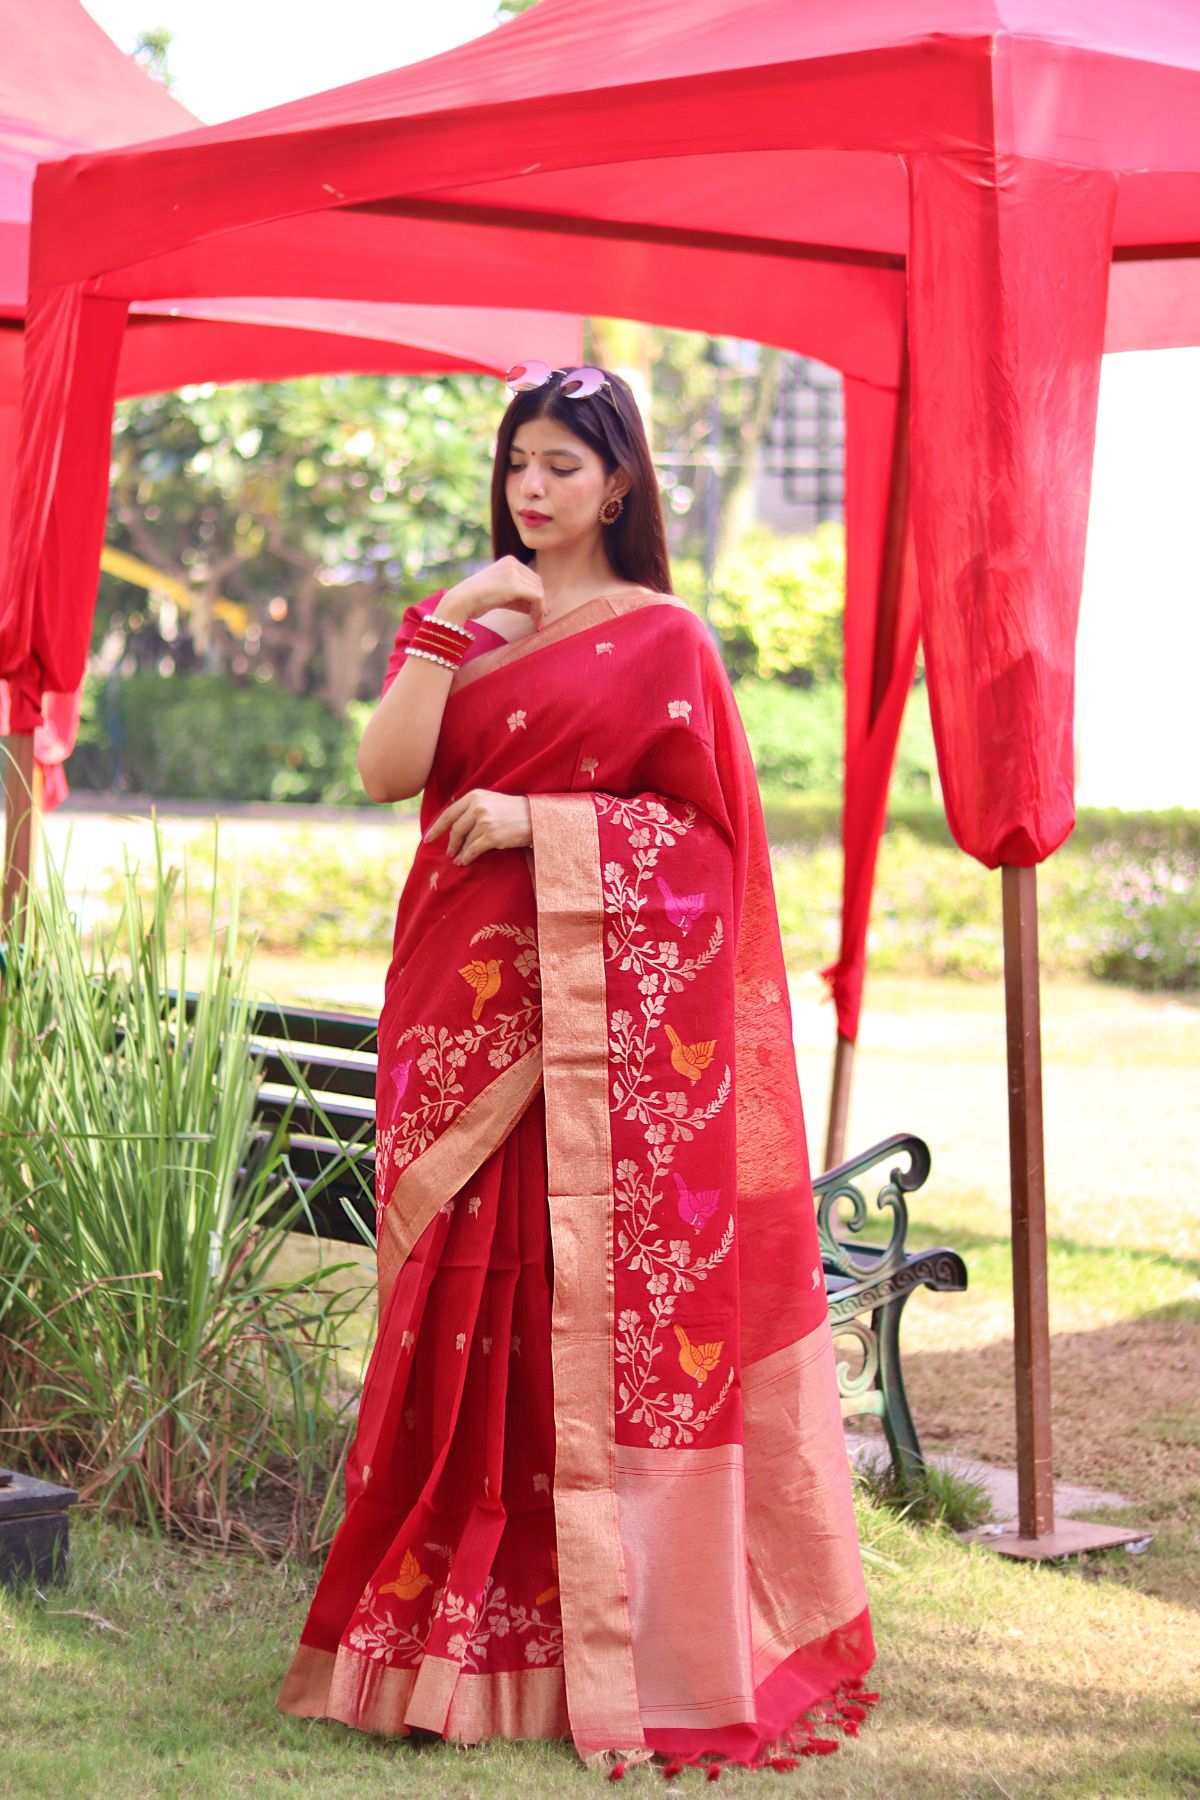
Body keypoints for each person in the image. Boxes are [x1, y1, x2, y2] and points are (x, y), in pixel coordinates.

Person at [276, 361, 880, 1774]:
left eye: (561, 466)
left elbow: (714, 862)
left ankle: (594, 1642)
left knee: (580, 1326)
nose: (532, 491)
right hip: (459, 1025)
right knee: (454, 1323)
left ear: (619, 484)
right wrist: (445, 626)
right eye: (517, 465)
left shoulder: (666, 641)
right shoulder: (466, 629)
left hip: (598, 1058)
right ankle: (439, 1642)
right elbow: (384, 773)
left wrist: (543, 826)